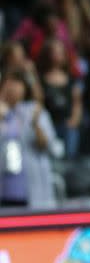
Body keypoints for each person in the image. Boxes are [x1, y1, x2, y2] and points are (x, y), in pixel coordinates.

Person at [0, 70, 59, 208]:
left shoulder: (35, 111)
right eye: (8, 84)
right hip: (4, 187)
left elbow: (49, 147)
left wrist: (36, 125)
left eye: (16, 84)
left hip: (30, 186)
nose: (12, 88)